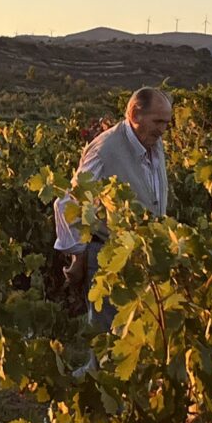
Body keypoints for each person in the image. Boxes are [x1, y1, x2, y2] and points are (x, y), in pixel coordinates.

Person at [55, 87, 172, 332]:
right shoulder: (105, 149)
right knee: (108, 341)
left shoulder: (152, 142)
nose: (163, 130)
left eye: (166, 123)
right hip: (110, 259)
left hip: (142, 256)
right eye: (158, 121)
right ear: (134, 114)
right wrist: (77, 255)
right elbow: (70, 202)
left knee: (139, 335)